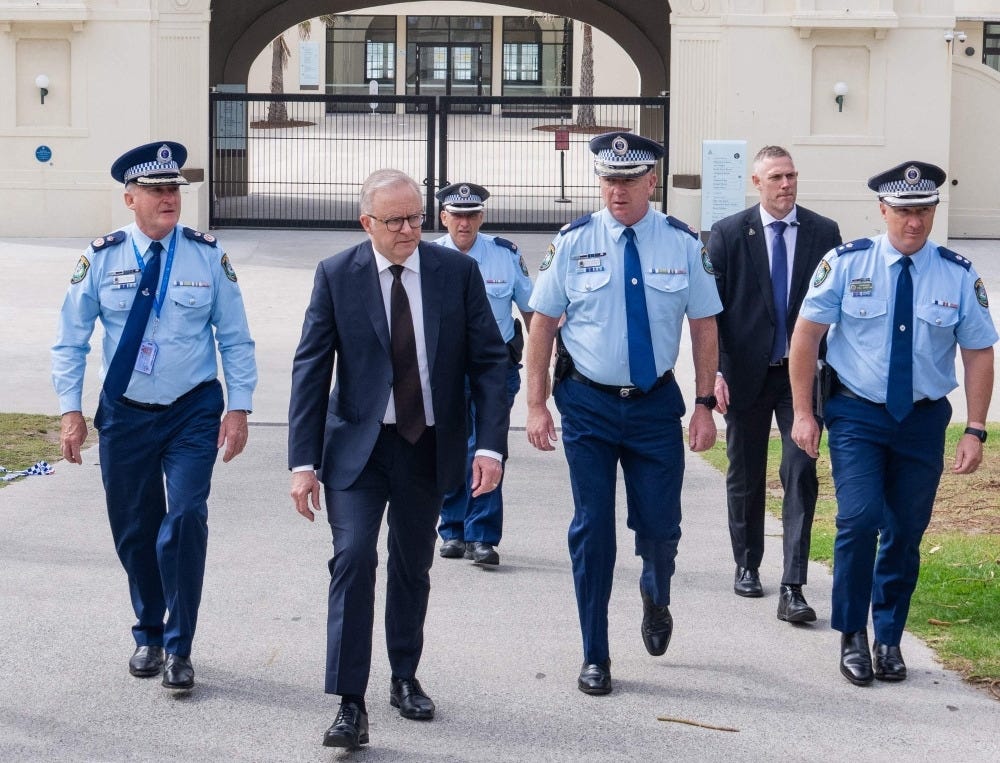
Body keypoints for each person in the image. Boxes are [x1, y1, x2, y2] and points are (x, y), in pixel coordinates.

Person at [287, 169, 509, 750]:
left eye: (415, 216)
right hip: (357, 452)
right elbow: (311, 370)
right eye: (395, 220)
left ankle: (404, 675)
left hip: (427, 444)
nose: (410, 229)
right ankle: (349, 701)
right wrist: (302, 462)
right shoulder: (337, 275)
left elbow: (490, 362)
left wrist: (489, 445)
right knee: (354, 558)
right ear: (368, 224)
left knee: (413, 565)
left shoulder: (455, 274)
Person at [51, 141, 257, 692]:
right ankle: (149, 630)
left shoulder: (207, 255)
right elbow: (70, 341)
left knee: (186, 517)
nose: (170, 198)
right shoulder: (101, 257)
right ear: (130, 197)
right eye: (157, 190)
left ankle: (180, 645)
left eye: (175, 190)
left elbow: (235, 339)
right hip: (125, 413)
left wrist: (238, 407)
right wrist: (71, 411)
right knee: (135, 528)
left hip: (192, 408)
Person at [525, 132, 722, 696]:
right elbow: (542, 324)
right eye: (608, 179)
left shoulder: (683, 244)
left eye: (628, 179)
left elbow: (704, 324)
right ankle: (595, 652)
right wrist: (536, 404)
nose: (617, 190)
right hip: (587, 403)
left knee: (660, 529)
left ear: (651, 181)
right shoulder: (572, 242)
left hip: (656, 405)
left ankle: (656, 591)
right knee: (593, 531)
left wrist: (705, 404)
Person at [789, 160, 996, 686]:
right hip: (857, 412)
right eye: (903, 211)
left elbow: (977, 351)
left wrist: (975, 427)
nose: (914, 222)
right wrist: (804, 413)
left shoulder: (957, 273)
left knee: (904, 532)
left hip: (922, 421)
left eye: (924, 210)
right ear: (883, 209)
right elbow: (806, 337)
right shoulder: (845, 263)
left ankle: (888, 636)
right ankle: (852, 634)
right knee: (858, 520)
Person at [707, 146, 842, 619]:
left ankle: (793, 584)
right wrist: (715, 374)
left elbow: (834, 311)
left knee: (800, 472)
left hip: (799, 377)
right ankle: (747, 565)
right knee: (745, 471)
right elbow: (712, 313)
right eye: (776, 177)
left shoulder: (824, 233)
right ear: (756, 182)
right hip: (745, 374)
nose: (786, 185)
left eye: (791, 176)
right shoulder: (727, 234)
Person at [433, 182, 534, 566]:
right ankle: (453, 528)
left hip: (495, 369)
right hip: (445, 370)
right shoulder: (428, 257)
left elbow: (530, 309)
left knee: (488, 447)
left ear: (482, 217)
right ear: (444, 217)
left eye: (472, 215)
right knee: (452, 447)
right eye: (457, 215)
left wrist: (546, 363)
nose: (464, 223)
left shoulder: (504, 255)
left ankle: (483, 536)